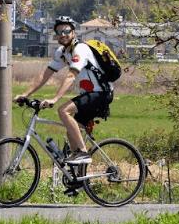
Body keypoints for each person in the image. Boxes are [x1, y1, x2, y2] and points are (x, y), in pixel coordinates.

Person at [15, 16, 114, 166]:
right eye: (59, 31)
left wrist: (55, 99)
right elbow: (45, 74)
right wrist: (26, 94)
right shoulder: (63, 52)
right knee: (72, 132)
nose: (63, 34)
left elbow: (71, 75)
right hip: (88, 95)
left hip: (101, 94)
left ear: (74, 32)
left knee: (63, 110)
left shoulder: (80, 49)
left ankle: (82, 152)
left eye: (67, 30)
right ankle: (78, 179)